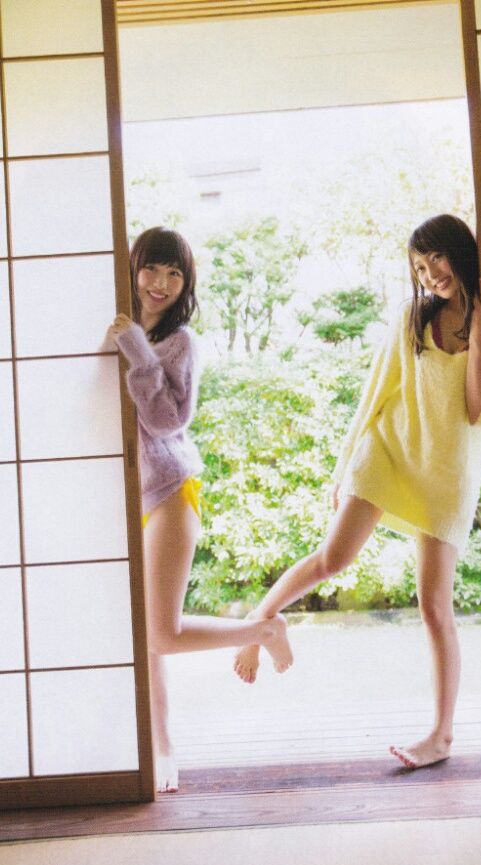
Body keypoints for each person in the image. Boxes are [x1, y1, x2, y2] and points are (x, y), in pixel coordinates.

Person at [234, 214, 481, 770]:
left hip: (448, 473)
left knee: (434, 607)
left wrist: (479, 340)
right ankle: (258, 625)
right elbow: (375, 391)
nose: (429, 274)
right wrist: (342, 470)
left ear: (459, 251)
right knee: (333, 558)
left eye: (436, 259)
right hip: (387, 452)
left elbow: (476, 411)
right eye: (419, 267)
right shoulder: (412, 318)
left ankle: (441, 736)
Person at [108, 227, 292, 793]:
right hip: (125, 496)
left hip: (170, 488)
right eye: (152, 268)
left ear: (185, 284)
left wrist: (136, 347)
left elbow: (168, 421)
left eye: (175, 273)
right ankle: (161, 749)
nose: (161, 283)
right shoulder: (117, 326)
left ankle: (264, 629)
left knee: (161, 635)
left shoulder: (180, 342)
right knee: (146, 639)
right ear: (133, 268)